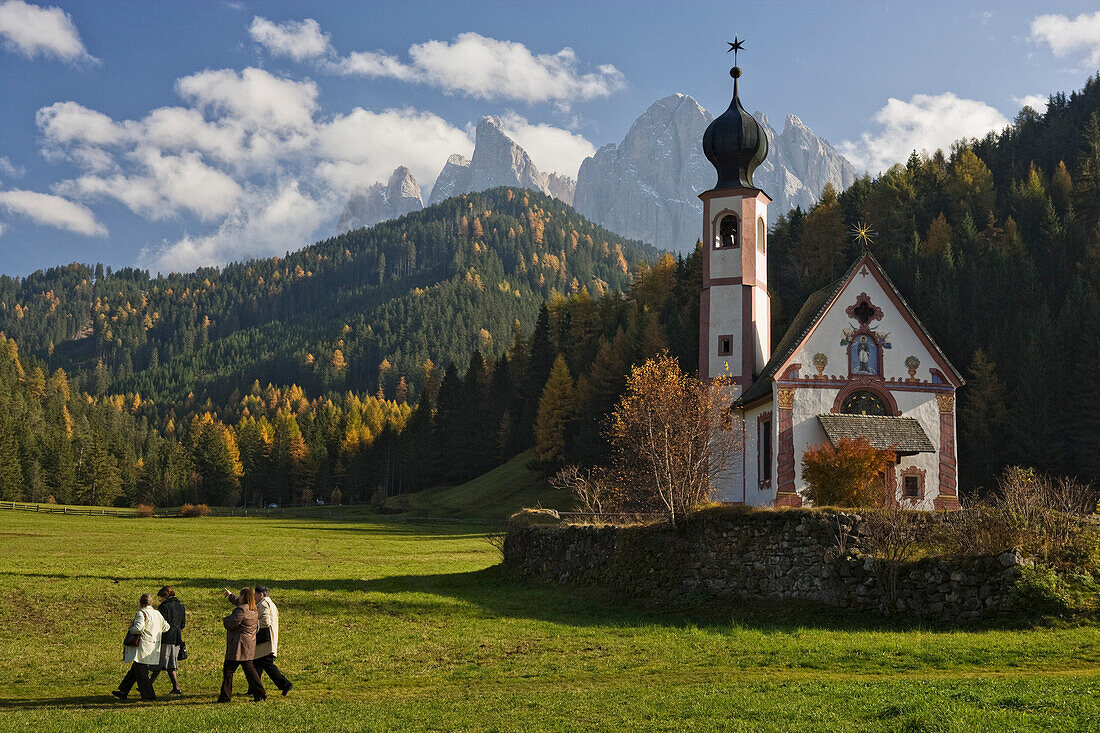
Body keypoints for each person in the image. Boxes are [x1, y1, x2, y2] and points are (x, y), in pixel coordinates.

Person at [113, 593, 170, 701]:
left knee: (141, 673)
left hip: (142, 646)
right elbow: (166, 627)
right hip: (154, 645)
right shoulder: (157, 613)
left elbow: (138, 628)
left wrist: (131, 628)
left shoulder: (141, 613)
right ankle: (123, 692)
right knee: (135, 670)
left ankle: (149, 696)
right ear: (151, 602)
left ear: (140, 602)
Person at [217, 587, 266, 703]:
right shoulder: (253, 609)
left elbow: (230, 624)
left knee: (228, 672)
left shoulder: (241, 611)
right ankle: (260, 693)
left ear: (244, 596)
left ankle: (225, 697)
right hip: (248, 646)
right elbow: (239, 603)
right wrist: (230, 596)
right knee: (250, 671)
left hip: (237, 646)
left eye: (240, 595)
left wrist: (226, 619)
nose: (239, 597)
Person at [252, 586, 292, 695]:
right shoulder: (270, 603)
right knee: (257, 664)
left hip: (265, 640)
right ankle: (254, 688)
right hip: (268, 640)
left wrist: (253, 625)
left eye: (255, 594)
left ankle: (285, 684)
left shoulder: (264, 604)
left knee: (267, 665)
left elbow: (265, 622)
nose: (254, 597)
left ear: (261, 594)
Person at [149, 586, 185, 695]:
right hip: (177, 637)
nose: (160, 600)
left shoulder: (164, 607)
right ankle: (148, 684)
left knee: (164, 663)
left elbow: (159, 622)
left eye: (161, 598)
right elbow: (183, 624)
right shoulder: (181, 606)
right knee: (167, 663)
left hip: (166, 637)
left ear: (165, 596)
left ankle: (175, 687)